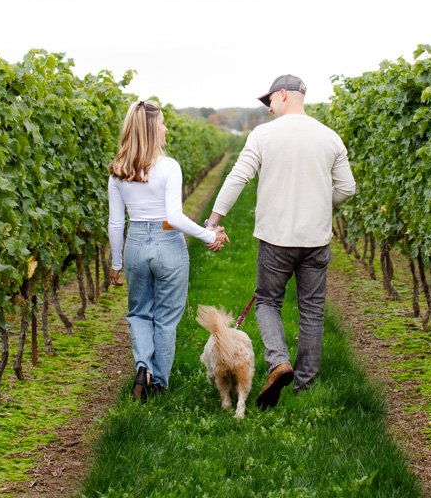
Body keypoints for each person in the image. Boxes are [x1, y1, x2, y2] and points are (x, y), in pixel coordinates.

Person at [206, 74, 355, 408]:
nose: (269, 108)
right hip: (316, 238)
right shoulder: (330, 138)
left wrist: (214, 220)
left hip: (276, 238)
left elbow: (239, 176)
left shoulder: (263, 135)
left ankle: (279, 361)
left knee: (268, 301)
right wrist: (318, 202)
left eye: (270, 101)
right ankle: (304, 386)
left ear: (284, 95)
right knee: (312, 310)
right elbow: (347, 188)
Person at [108, 99, 230, 402]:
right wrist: (208, 234)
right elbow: (174, 217)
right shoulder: (168, 167)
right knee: (165, 317)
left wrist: (116, 263)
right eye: (161, 123)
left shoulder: (118, 171)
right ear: (151, 129)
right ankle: (159, 383)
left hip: (135, 242)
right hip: (167, 244)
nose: (165, 128)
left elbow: (114, 223)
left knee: (139, 313)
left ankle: (142, 368)